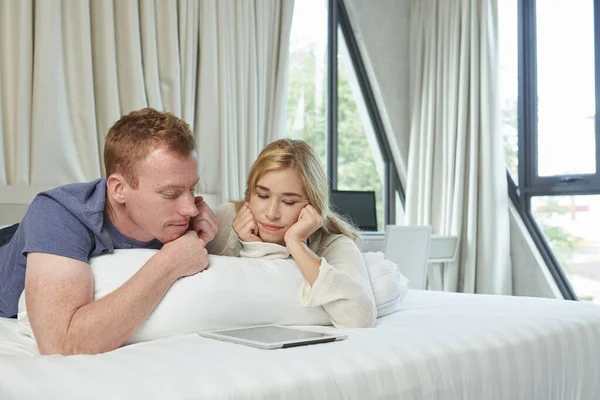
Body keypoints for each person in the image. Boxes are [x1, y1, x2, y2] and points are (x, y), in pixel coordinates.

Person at [0, 108, 218, 355]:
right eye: (171, 194)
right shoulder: (58, 212)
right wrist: (170, 263)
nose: (190, 208)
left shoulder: (185, 217)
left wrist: (204, 241)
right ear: (118, 189)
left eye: (192, 188)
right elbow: (62, 344)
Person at [207, 139, 376, 328]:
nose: (271, 213)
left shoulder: (334, 244)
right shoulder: (228, 218)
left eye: (288, 202)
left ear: (313, 204)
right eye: (262, 196)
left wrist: (297, 244)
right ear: (249, 194)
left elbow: (359, 320)